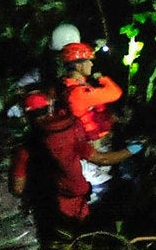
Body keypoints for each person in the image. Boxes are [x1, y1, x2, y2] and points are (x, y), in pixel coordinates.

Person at [10, 90, 137, 234]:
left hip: (54, 203)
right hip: (80, 195)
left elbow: (17, 188)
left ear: (27, 116)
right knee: (86, 228)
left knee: (64, 235)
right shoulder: (69, 132)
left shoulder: (26, 148)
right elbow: (103, 159)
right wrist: (132, 150)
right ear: (50, 108)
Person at [58, 41, 123, 146]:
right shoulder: (79, 93)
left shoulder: (69, 85)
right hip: (96, 143)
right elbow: (115, 93)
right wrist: (101, 78)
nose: (91, 64)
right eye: (88, 61)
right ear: (79, 66)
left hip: (95, 140)